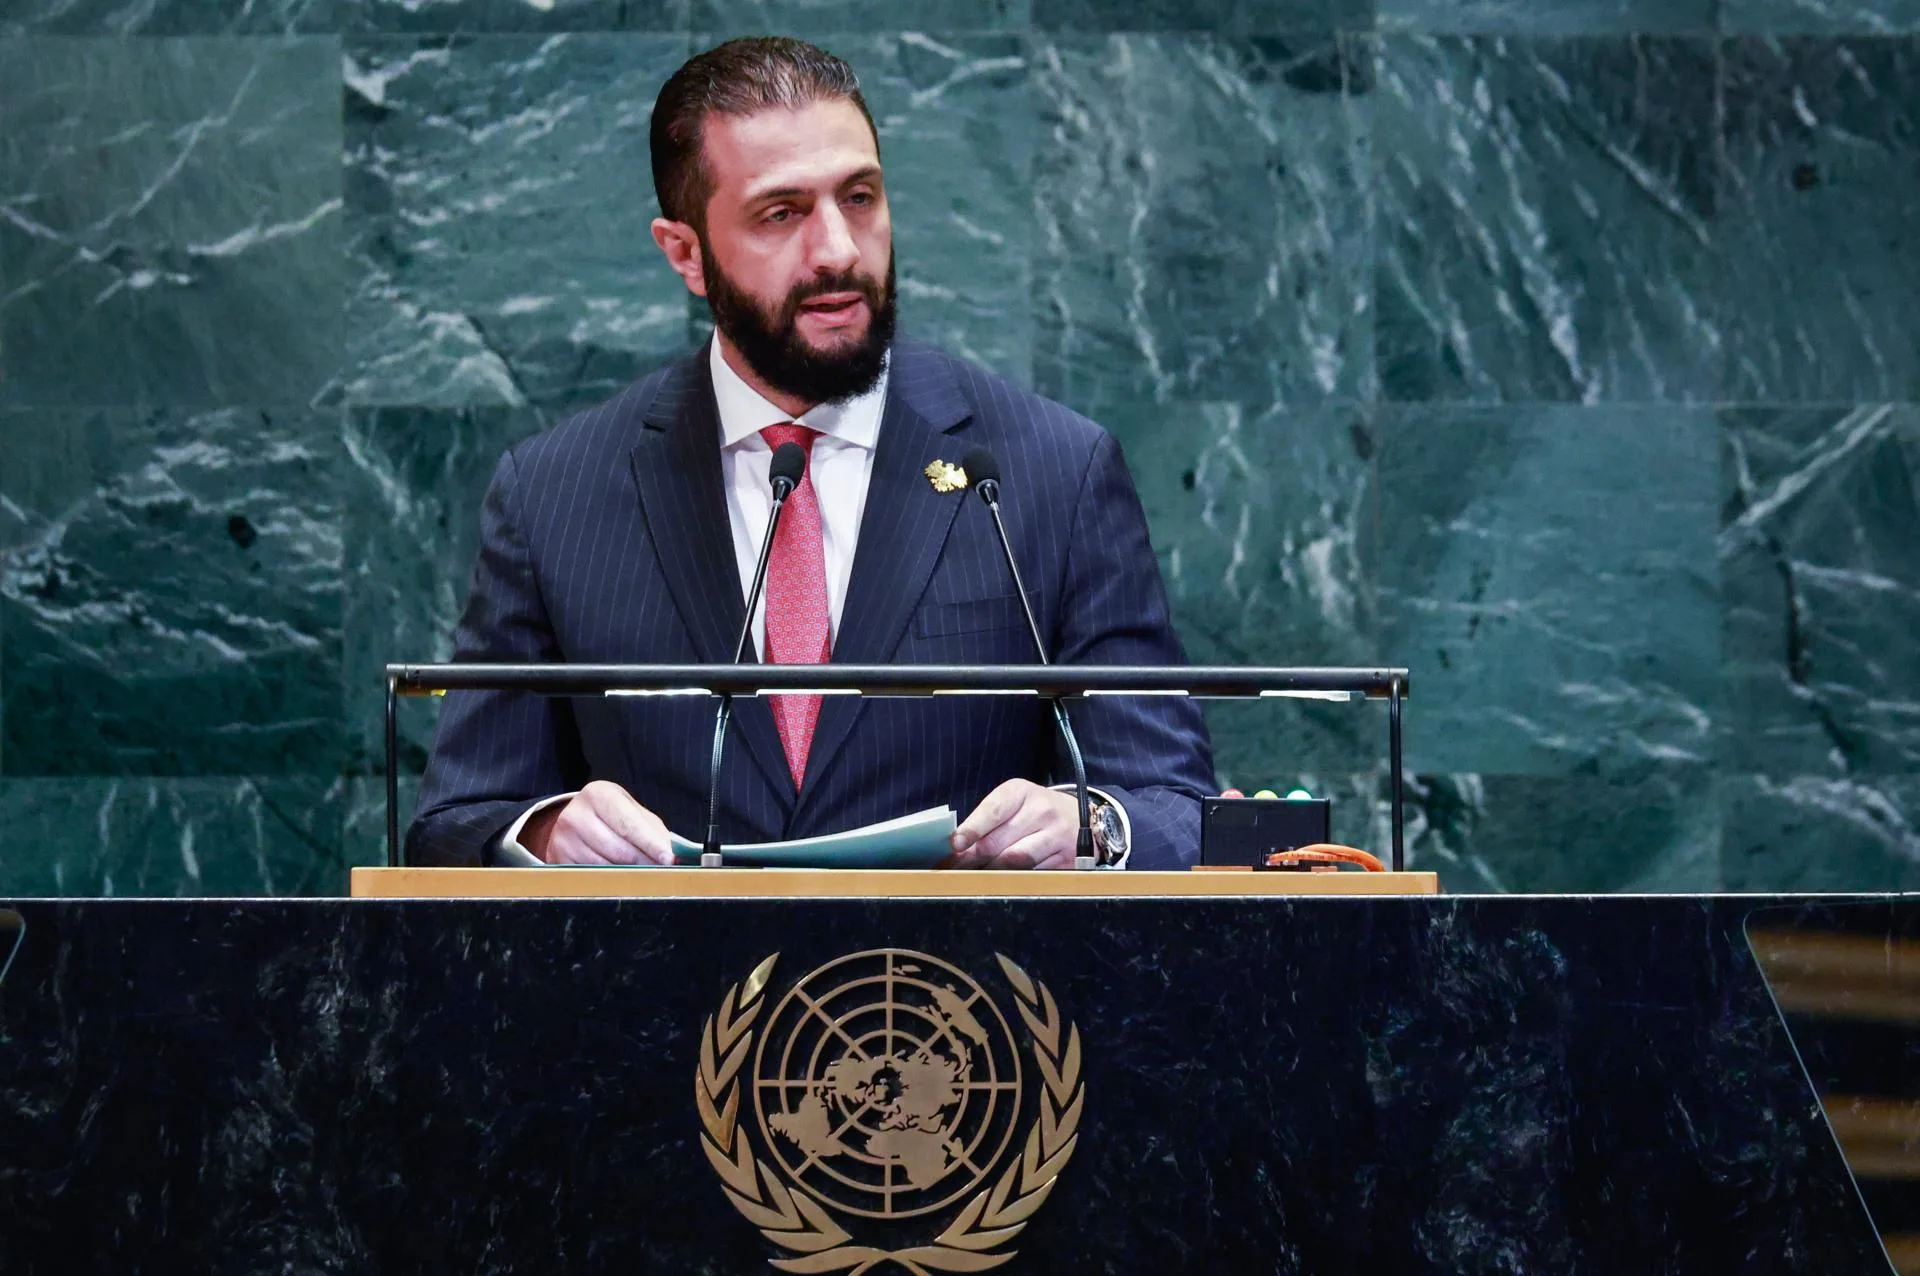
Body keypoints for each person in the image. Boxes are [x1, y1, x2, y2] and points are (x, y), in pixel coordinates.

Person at [407, 37, 1214, 871]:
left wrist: (1090, 826)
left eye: (859, 198)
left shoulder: (1052, 471)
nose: (837, 250)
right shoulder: (554, 495)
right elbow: (453, 822)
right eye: (781, 213)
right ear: (685, 253)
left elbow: (1175, 803)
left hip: (959, 958)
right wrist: (544, 832)